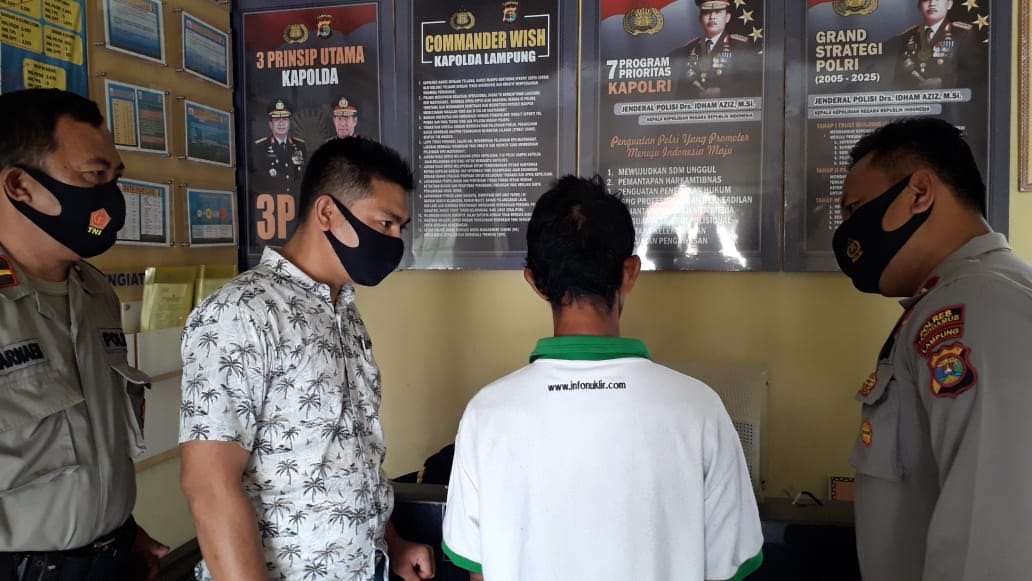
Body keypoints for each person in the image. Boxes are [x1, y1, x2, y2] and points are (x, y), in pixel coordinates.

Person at [441, 176, 763, 581]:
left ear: (534, 281)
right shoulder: (699, 409)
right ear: (630, 272)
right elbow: (728, 567)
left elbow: (479, 572)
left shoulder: (486, 414)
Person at [179, 137, 435, 581]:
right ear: (327, 212)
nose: (396, 241)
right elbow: (209, 485)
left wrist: (391, 544)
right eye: (386, 223)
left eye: (401, 228)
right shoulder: (241, 313)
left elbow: (348, 456)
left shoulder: (344, 313)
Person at [833, 117, 1032, 580]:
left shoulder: (977, 306)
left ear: (919, 193)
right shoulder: (958, 299)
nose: (847, 232)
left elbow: (989, 538)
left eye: (855, 210)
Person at [0, 88, 168, 580]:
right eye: (94, 175)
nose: (110, 197)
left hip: (109, 561)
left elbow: (87, 449)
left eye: (115, 177)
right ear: (19, 185)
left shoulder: (96, 294)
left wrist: (119, 529)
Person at [668, 0, 761, 99]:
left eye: (718, 12)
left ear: (727, 17)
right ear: (700, 19)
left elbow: (752, 84)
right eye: (707, 12)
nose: (712, 17)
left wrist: (722, 92)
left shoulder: (741, 47)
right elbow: (680, 91)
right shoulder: (689, 49)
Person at [894, 0, 980, 89]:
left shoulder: (963, 34)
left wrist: (943, 82)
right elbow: (898, 77)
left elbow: (973, 72)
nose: (932, 4)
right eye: (926, 0)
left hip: (948, 96)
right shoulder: (908, 36)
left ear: (949, 4)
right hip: (914, 96)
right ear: (919, 7)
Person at [252, 98, 307, 196]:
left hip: (295, 199)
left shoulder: (300, 146)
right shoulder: (261, 147)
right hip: (272, 199)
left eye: (285, 119)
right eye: (277, 119)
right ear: (270, 124)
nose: (281, 123)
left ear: (289, 123)